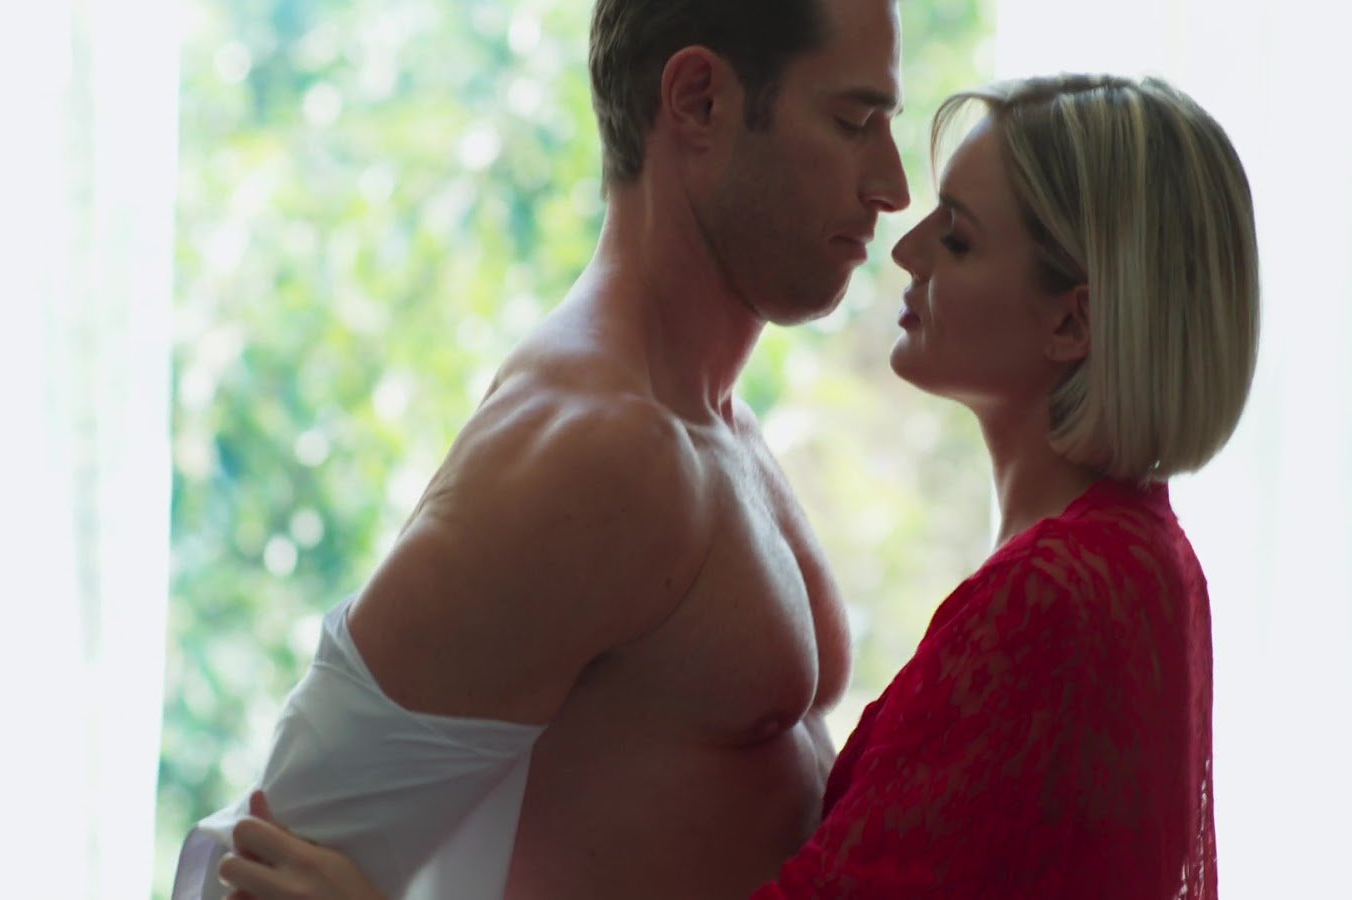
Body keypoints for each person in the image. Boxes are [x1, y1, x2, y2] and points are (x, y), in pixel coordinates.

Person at [218, 73, 1259, 898]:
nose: (902, 237)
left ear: (1072, 321)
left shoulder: (1059, 597)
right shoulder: (1140, 563)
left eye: (956, 237)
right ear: (697, 101)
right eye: (853, 120)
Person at [172, 0, 910, 898]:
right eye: (853, 123)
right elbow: (246, 870)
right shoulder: (596, 450)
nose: (893, 186)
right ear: (700, 100)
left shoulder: (716, 424)